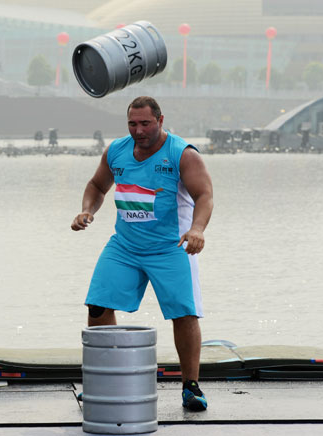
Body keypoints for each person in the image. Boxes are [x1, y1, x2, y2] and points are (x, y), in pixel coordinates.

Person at [71, 96, 213, 411]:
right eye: (132, 124)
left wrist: (198, 229)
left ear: (161, 120)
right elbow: (97, 185)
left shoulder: (182, 154)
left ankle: (190, 385)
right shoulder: (117, 151)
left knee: (184, 312)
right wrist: (86, 211)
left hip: (171, 247)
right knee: (97, 306)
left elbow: (204, 195)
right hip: (125, 246)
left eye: (145, 123)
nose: (139, 131)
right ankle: (105, 380)